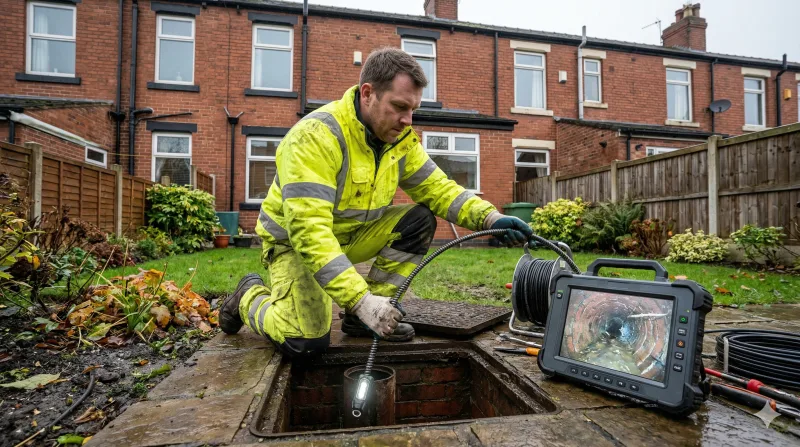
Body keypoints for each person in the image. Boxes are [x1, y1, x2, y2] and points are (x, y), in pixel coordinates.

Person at [219, 47, 533, 357]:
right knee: (304, 342)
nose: (408, 120)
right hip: (294, 243)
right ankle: (248, 296)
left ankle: (370, 316)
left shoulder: (398, 140)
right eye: (399, 106)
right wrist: (360, 299)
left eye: (413, 109)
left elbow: (439, 189)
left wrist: (490, 218)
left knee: (418, 219)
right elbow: (309, 233)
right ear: (368, 93)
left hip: (353, 236)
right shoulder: (315, 136)